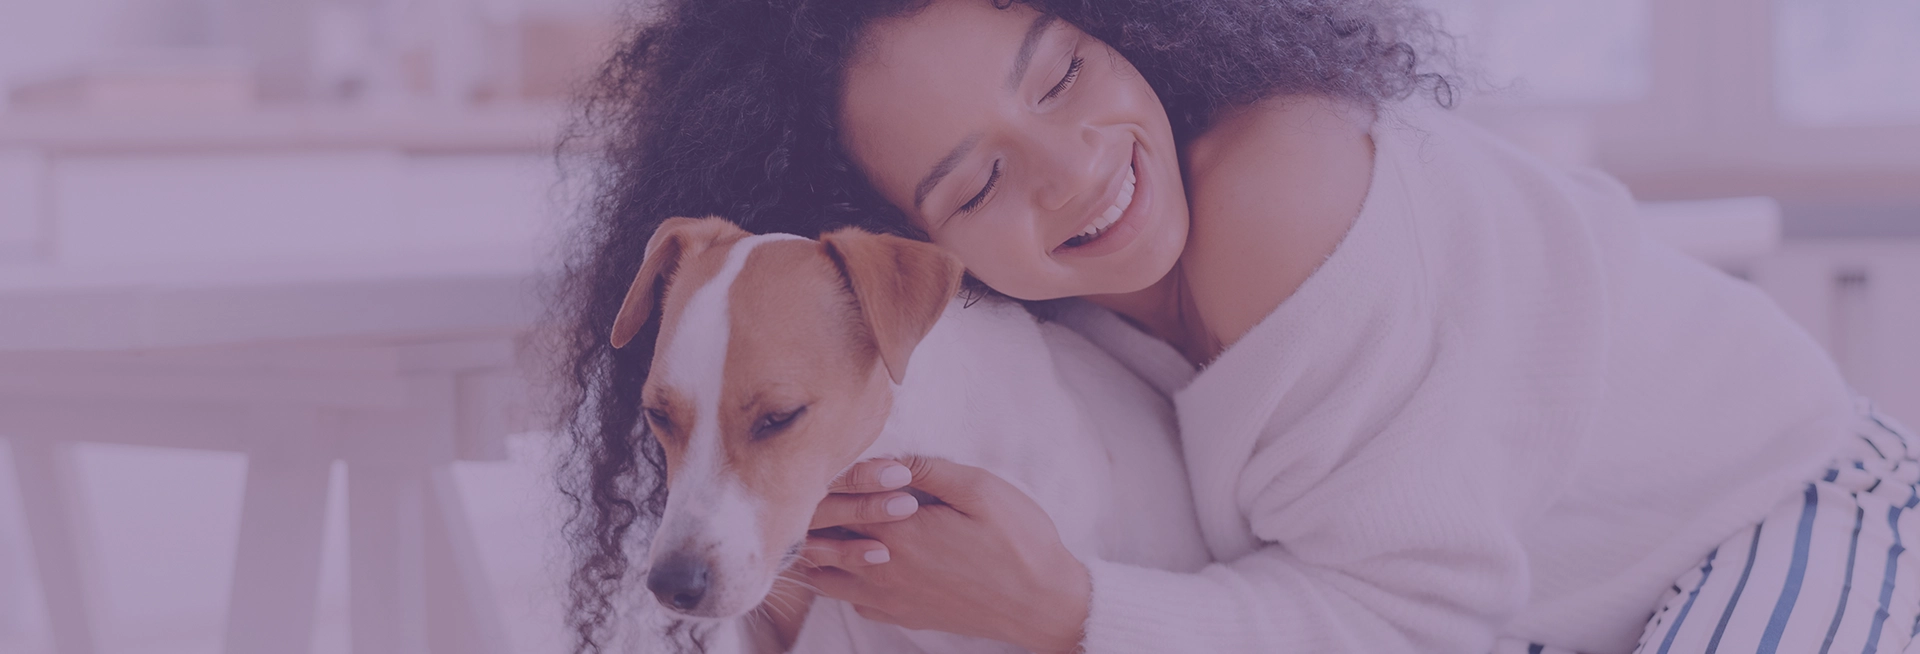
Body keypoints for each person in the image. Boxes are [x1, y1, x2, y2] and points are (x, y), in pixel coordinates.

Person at [549, 0, 1920, 652]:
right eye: (974, 183)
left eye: (1063, 73)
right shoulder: (1037, 320)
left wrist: (1066, 608)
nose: (1076, 166)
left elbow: (1409, 624)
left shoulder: (1282, 186)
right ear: (908, 249)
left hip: (1791, 513)